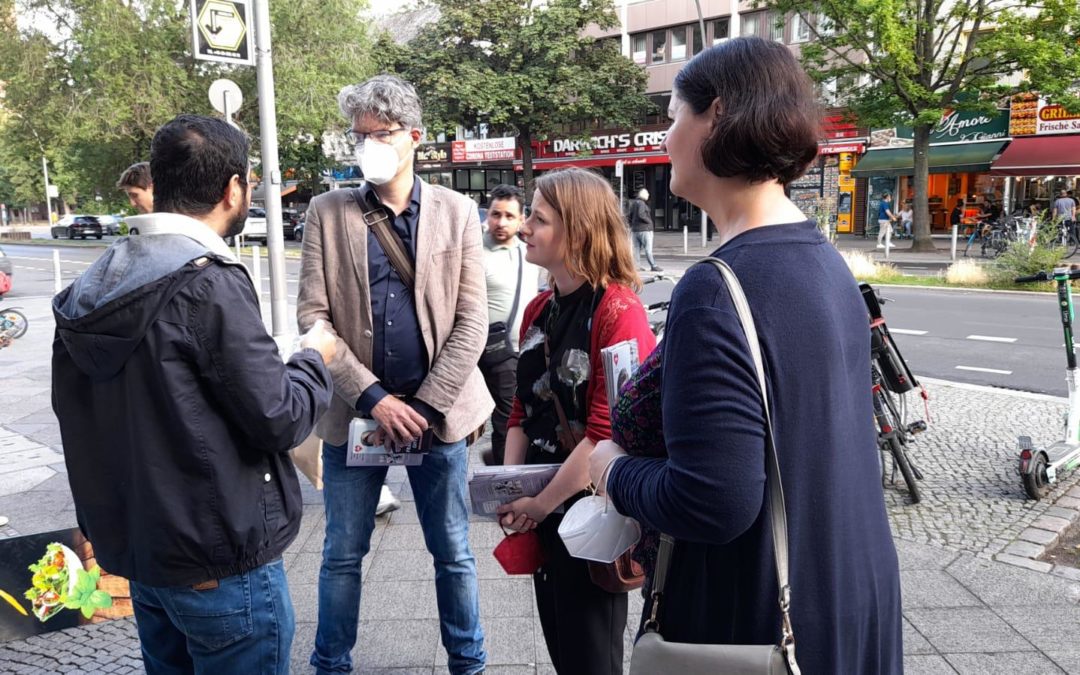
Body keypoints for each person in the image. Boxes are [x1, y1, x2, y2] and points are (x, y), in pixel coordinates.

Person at [588, 37, 903, 674]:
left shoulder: (716, 287)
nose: (665, 138)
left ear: (717, 116)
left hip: (754, 618)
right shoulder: (823, 259)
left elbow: (714, 501)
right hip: (848, 589)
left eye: (673, 116)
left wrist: (611, 472)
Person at [51, 114, 336, 674]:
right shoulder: (207, 282)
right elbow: (279, 416)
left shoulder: (96, 282)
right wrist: (313, 359)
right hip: (217, 560)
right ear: (235, 188)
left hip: (144, 552)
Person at [297, 74, 493, 675]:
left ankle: (469, 662)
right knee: (342, 553)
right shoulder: (327, 212)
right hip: (359, 417)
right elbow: (313, 318)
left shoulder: (456, 211)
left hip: (440, 416)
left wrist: (427, 408)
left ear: (414, 137)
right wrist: (377, 399)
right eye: (358, 137)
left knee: (454, 552)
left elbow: (471, 321)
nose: (367, 148)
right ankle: (330, 663)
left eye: (379, 135)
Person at [498, 167, 656, 675]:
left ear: (579, 231)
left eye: (538, 220)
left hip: (593, 516)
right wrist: (507, 489)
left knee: (592, 657)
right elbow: (522, 408)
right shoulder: (538, 309)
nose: (524, 228)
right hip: (542, 507)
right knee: (563, 651)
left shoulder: (618, 310)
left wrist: (539, 505)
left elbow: (609, 432)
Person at [479, 184, 542, 466]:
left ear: (520, 220)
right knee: (502, 418)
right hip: (482, 352)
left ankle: (501, 471)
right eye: (495, 214)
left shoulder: (529, 252)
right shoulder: (472, 250)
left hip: (518, 351)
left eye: (508, 216)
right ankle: (503, 474)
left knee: (509, 417)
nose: (501, 222)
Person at [626, 188, 662, 272]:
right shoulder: (642, 204)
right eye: (647, 194)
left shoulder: (634, 203)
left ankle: (637, 266)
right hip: (645, 229)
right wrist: (649, 222)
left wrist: (632, 225)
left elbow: (629, 216)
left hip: (635, 230)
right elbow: (641, 214)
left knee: (636, 249)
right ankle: (653, 265)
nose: (648, 196)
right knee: (648, 249)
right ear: (644, 195)